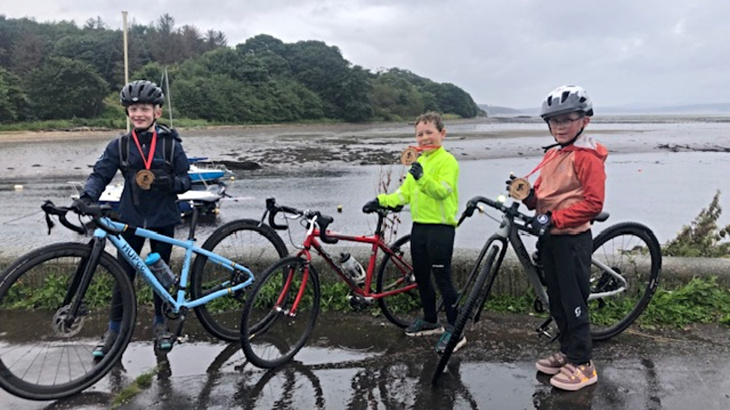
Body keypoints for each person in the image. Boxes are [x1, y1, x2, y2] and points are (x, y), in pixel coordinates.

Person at [73, 80, 192, 357]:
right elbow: (101, 173)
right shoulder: (121, 146)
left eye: (145, 109)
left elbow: (187, 180)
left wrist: (169, 182)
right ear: (127, 113)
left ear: (157, 112)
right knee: (122, 276)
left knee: (159, 277)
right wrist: (87, 196)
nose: (139, 114)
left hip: (163, 219)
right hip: (130, 220)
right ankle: (113, 330)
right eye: (134, 109)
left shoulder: (171, 146)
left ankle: (160, 325)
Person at [521, 85, 607, 391]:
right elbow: (544, 197)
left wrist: (554, 218)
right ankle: (569, 352)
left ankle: (583, 364)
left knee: (573, 301)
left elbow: (594, 204)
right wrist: (530, 198)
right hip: (551, 238)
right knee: (556, 299)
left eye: (566, 119)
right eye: (553, 121)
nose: (559, 126)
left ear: (584, 120)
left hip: (571, 239)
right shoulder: (555, 155)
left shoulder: (587, 158)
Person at [362, 111, 464, 354]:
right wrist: (380, 200)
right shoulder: (419, 162)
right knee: (421, 277)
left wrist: (422, 177)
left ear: (442, 133)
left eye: (429, 132)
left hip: (440, 229)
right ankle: (431, 320)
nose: (425, 138)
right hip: (419, 227)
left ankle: (456, 330)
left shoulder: (447, 161)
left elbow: (443, 191)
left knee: (443, 280)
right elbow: (403, 195)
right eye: (420, 134)